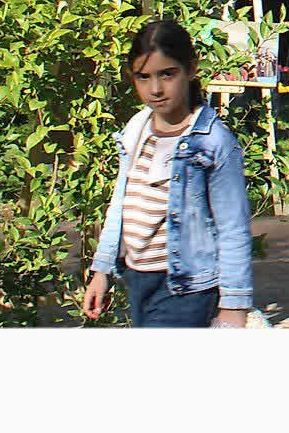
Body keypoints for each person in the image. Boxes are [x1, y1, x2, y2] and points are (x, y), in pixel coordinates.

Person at [81, 19, 253, 327]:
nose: (156, 89)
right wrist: (102, 271)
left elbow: (233, 229)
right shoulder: (137, 128)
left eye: (167, 74)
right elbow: (121, 204)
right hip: (137, 280)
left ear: (191, 68)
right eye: (143, 77)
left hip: (185, 288)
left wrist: (234, 306)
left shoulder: (213, 142)